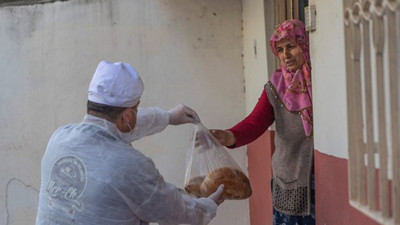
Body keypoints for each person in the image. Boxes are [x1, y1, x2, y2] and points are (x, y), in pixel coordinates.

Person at [35, 60, 224, 225]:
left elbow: (111, 131)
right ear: (127, 114)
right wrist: (208, 206)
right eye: (136, 108)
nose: (136, 112)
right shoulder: (129, 165)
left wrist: (167, 117)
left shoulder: (60, 138)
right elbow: (172, 210)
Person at [210, 20, 314, 225]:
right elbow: (255, 122)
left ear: (304, 45)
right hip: (290, 179)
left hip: (321, 179)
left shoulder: (322, 81)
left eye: (292, 46)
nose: (286, 55)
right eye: (281, 50)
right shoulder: (275, 88)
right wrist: (228, 135)